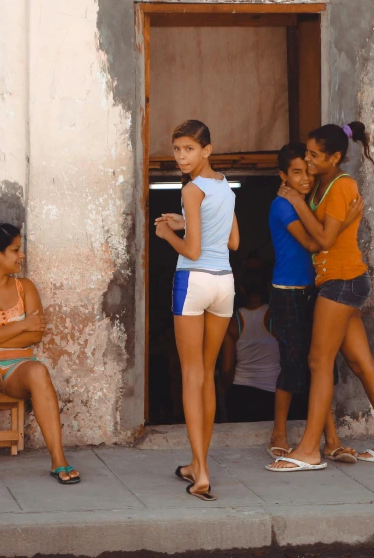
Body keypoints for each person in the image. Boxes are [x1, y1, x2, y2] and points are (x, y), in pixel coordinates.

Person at [267, 123, 374, 472]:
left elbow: (323, 241)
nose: (309, 160)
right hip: (342, 281)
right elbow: (327, 232)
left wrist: (298, 200)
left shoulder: (343, 185)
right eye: (307, 155)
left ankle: (309, 451)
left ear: (334, 157)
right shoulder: (324, 185)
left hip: (341, 282)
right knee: (361, 364)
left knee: (319, 363)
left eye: (315, 155)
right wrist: (316, 207)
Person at [0, 223, 80, 489]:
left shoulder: (26, 287)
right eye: (15, 250)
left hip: (16, 368)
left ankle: (58, 460)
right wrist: (21, 325)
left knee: (38, 370)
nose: (21, 255)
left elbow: (35, 337)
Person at [154, 120, 239, 501]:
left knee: (191, 375)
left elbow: (191, 250)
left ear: (207, 149)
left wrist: (168, 233)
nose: (181, 157)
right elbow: (233, 241)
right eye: (177, 150)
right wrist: (187, 223)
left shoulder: (191, 189)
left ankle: (201, 472)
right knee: (206, 373)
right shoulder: (224, 186)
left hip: (193, 282)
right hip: (224, 284)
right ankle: (195, 462)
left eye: (189, 149)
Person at [267, 143, 364, 464]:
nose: (305, 178)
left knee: (322, 367)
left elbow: (322, 233)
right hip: (288, 292)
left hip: (316, 291)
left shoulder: (307, 201)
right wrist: (346, 220)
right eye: (296, 173)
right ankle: (279, 433)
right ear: (283, 176)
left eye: (307, 171)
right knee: (292, 364)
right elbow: (313, 242)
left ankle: (331, 440)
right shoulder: (283, 205)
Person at [220, 269, 280, 423]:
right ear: (268, 287)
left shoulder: (233, 322)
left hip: (240, 393)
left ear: (241, 289)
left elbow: (227, 368)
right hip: (273, 394)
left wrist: (227, 392)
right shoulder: (277, 316)